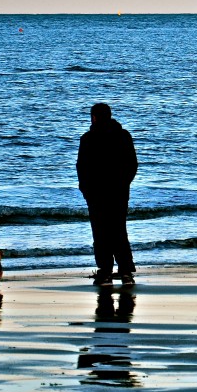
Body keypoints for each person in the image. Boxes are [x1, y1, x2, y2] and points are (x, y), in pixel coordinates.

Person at [77, 103, 138, 286]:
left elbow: (82, 167)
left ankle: (106, 271)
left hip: (97, 193)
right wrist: (124, 183)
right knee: (119, 229)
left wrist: (85, 189)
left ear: (94, 117)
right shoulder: (123, 136)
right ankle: (125, 270)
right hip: (118, 192)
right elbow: (132, 164)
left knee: (101, 232)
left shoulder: (88, 138)